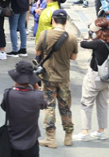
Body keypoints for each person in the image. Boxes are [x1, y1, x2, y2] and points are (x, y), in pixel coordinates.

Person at [35, 9, 78, 148]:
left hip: (48, 77)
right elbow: (73, 57)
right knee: (65, 107)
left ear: (52, 20)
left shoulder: (45, 34)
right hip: (64, 78)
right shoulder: (72, 38)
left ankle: (50, 138)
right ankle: (68, 136)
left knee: (49, 106)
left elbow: (37, 52)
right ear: (65, 22)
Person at [1, 61, 46, 156]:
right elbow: (44, 104)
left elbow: (5, 107)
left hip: (12, 141)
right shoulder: (38, 96)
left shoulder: (8, 94)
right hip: (31, 143)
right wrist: (35, 85)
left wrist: (15, 85)